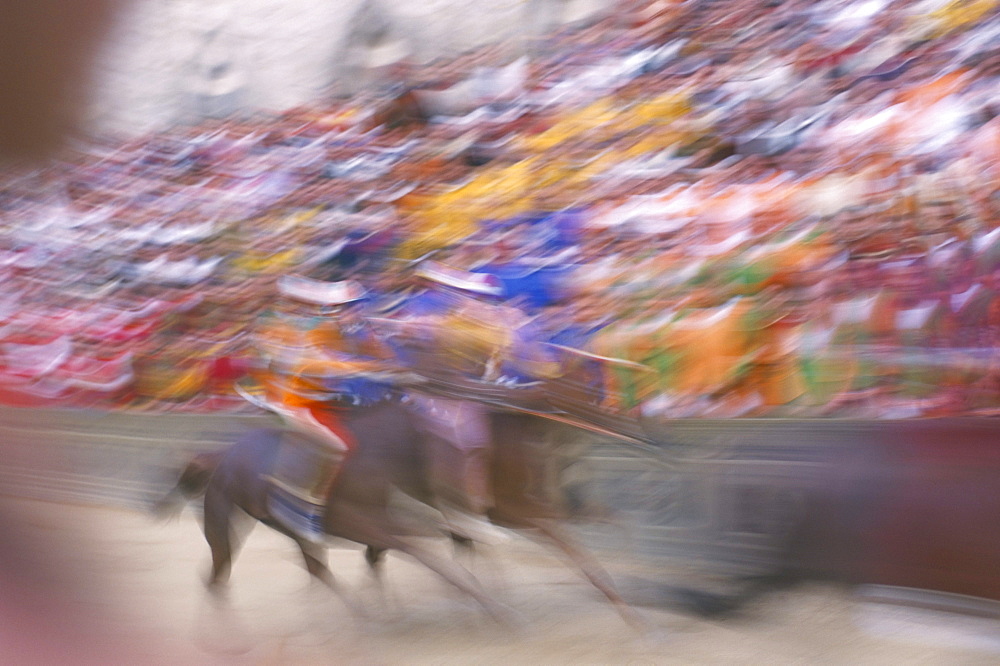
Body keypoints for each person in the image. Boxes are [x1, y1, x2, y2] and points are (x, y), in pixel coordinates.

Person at [251, 275, 397, 542]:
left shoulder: (355, 330)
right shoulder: (313, 332)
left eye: (356, 306)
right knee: (340, 445)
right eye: (349, 307)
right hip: (299, 403)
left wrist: (392, 363)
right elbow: (324, 363)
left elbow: (383, 354)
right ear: (333, 310)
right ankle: (302, 505)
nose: (356, 312)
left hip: (329, 398)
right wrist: (370, 368)